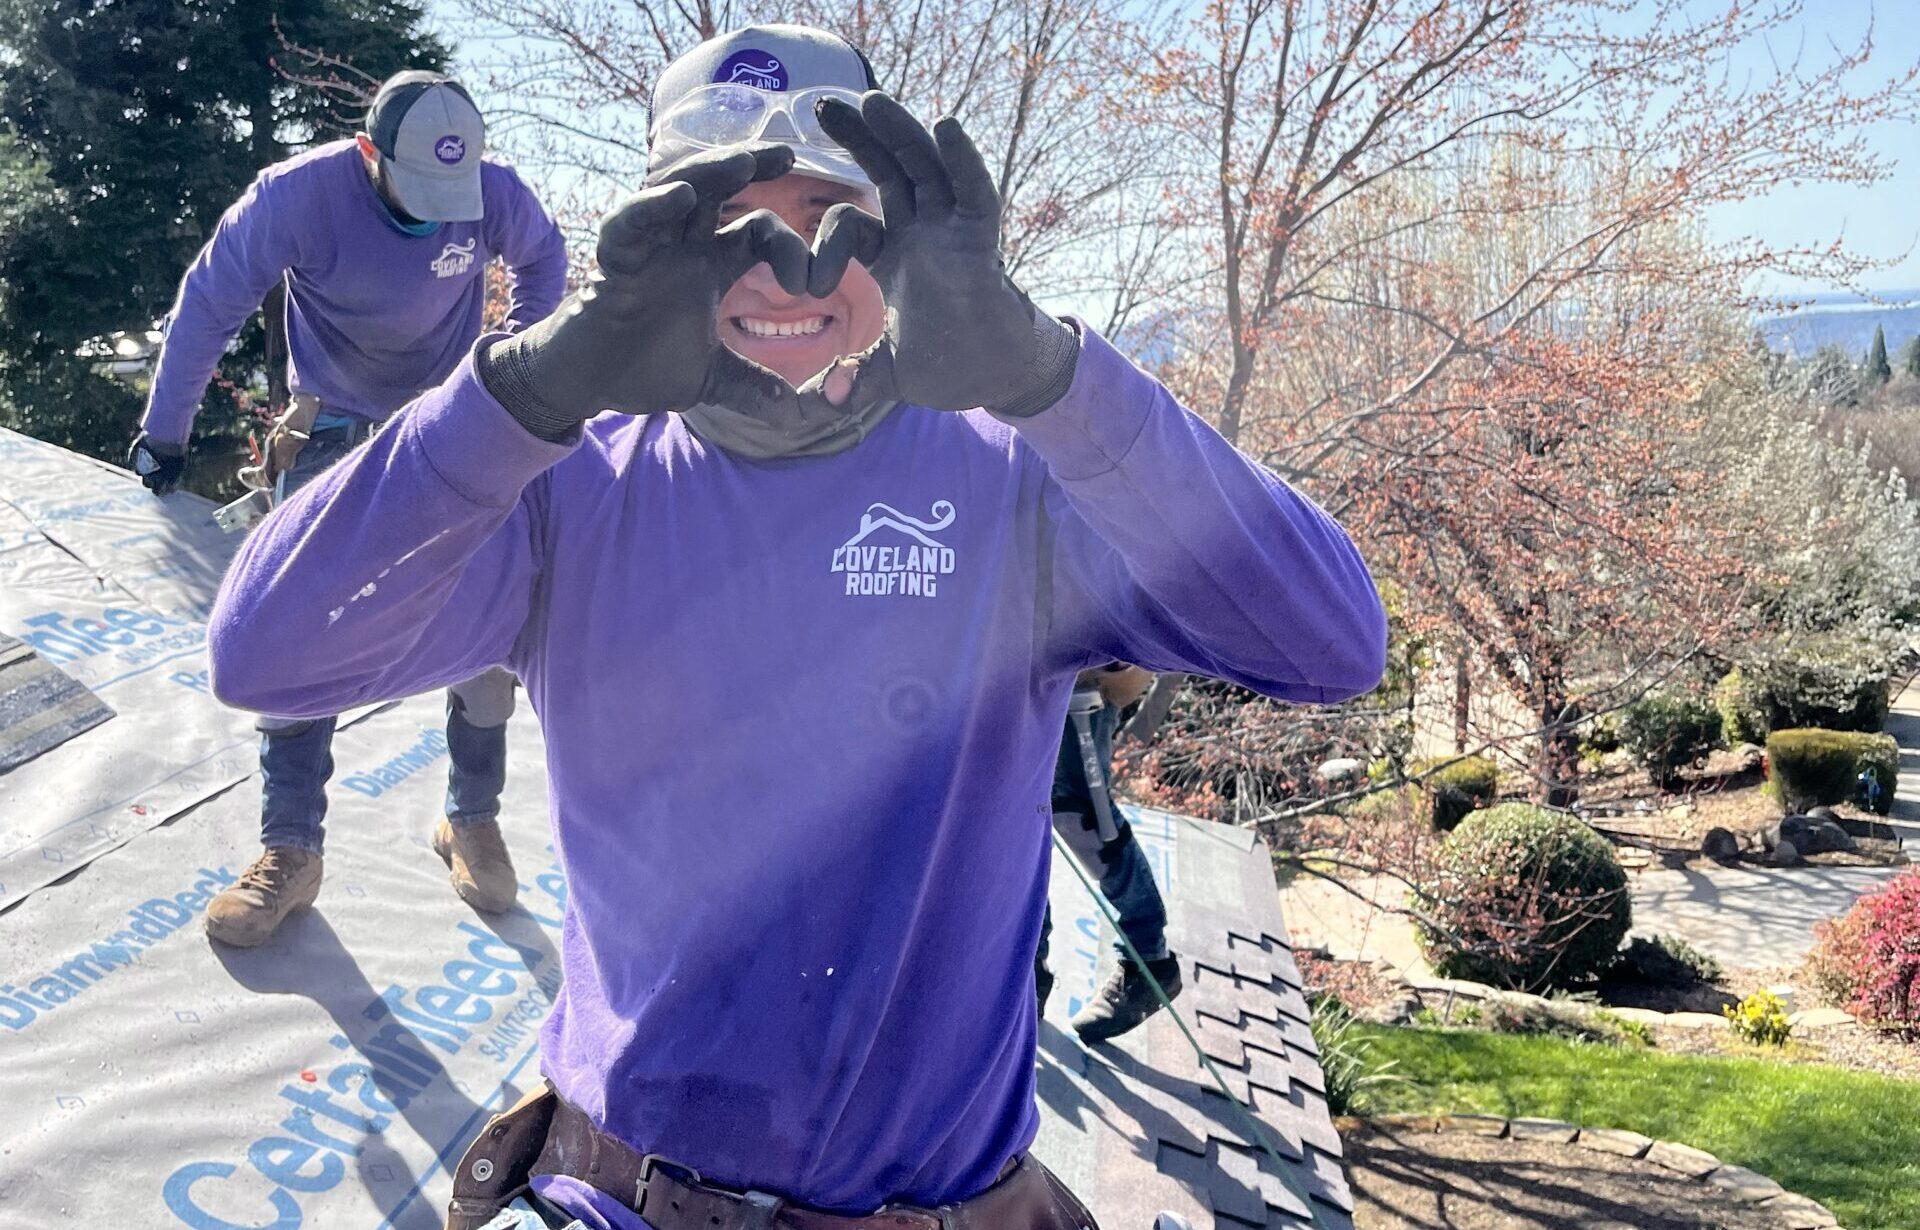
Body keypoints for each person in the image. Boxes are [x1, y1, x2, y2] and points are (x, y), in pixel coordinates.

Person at [207, 24, 1386, 1230]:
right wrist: (537, 381)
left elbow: (1329, 643)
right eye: (725, 224)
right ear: (658, 244)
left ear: (900, 236)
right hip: (621, 1195)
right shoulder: (570, 489)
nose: (783, 268)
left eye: (826, 214)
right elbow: (267, 652)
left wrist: (1049, 374)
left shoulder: (1018, 482)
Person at [132, 70, 569, 945]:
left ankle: (470, 815)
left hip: (451, 429)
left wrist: (514, 373)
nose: (444, 212)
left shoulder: (490, 192)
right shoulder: (295, 197)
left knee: (490, 622)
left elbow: (545, 263)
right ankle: (289, 849)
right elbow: (209, 303)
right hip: (331, 425)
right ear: (371, 153)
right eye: (420, 191)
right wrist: (165, 431)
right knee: (297, 634)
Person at [1036, 663, 1184, 1043]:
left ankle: (1148, 961)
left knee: (1081, 815)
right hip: (1010, 663)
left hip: (1081, 669)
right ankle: (1027, 968)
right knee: (1010, 818)